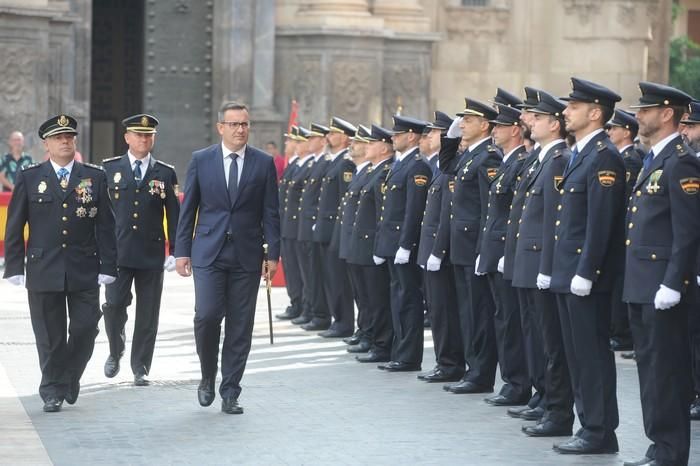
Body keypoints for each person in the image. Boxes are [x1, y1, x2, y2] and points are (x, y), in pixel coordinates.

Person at [3, 114, 117, 412]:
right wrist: (14, 267)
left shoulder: (94, 176)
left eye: (69, 137)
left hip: (84, 266)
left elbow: (106, 225)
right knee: (50, 335)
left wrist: (108, 265)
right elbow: (15, 225)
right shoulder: (30, 177)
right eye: (58, 138)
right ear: (47, 144)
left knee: (85, 328)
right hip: (43, 267)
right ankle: (52, 389)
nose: (65, 141)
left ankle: (68, 376)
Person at [174, 102, 280, 415]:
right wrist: (182, 250)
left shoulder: (263, 163)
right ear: (220, 127)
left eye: (244, 124)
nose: (240, 130)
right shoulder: (201, 160)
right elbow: (188, 208)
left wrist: (272, 253)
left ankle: (230, 390)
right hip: (208, 251)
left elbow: (271, 212)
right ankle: (208, 374)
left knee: (240, 324)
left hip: (246, 255)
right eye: (233, 124)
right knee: (206, 316)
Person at [622, 82, 699, 466]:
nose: (638, 115)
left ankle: (670, 452)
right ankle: (659, 446)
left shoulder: (681, 161)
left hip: (663, 288)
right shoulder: (655, 159)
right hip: (643, 285)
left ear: (667, 113)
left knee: (666, 373)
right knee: (651, 371)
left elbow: (688, 231)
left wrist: (673, 282)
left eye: (646, 109)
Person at [551, 77, 625, 455]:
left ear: (595, 113)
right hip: (569, 272)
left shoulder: (604, 156)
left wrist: (587, 272)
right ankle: (588, 425)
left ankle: (599, 430)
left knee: (592, 355)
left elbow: (601, 223)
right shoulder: (581, 153)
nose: (565, 111)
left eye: (573, 106)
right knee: (577, 355)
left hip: (585, 278)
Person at [512, 91, 575, 437]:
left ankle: (557, 409)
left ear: (554, 124)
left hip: (541, 262)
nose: (529, 122)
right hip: (530, 260)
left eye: (536, 118)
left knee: (551, 343)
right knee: (537, 337)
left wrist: (547, 267)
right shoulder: (540, 159)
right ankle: (546, 401)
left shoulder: (557, 161)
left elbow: (553, 219)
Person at [101, 114, 180, 386]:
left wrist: (176, 251)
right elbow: (99, 215)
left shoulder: (165, 173)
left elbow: (175, 216)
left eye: (148, 135)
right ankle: (115, 349)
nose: (144, 139)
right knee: (112, 307)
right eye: (138, 134)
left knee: (148, 313)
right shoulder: (109, 169)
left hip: (150, 254)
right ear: (127, 138)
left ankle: (141, 366)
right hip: (118, 254)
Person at [439, 98, 501, 394]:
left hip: (473, 245)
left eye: (468, 120)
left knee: (478, 313)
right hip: (461, 245)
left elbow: (490, 208)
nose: (462, 124)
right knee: (467, 311)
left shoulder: (488, 157)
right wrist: (450, 138)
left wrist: (482, 250)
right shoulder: (469, 156)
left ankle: (481, 373)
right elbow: (446, 165)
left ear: (485, 125)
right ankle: (472, 368)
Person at [477, 101, 531, 406]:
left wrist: (504, 252)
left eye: (498, 126)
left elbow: (514, 214)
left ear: (514, 129)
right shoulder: (508, 161)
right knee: (504, 319)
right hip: (497, 251)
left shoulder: (518, 161)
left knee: (512, 321)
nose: (493, 131)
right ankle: (513, 380)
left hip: (506, 254)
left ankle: (518, 383)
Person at [374, 115, 432, 372]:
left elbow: (413, 210)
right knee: (397, 299)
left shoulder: (417, 166)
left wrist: (406, 245)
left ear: (411, 136)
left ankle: (409, 356)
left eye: (397, 135)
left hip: (403, 246)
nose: (392, 139)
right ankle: (400, 351)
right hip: (391, 243)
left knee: (408, 300)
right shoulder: (400, 165)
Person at [416, 110, 465, 383]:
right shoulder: (438, 166)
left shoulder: (449, 165)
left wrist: (437, 250)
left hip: (440, 249)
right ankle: (444, 361)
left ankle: (450, 363)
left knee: (445, 310)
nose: (430, 137)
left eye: (435, 132)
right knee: (437, 309)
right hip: (431, 247)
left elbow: (448, 211)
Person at [313, 117, 357, 338]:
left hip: (334, 230)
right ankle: (336, 319)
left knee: (338, 279)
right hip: (326, 228)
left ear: (345, 137)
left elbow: (345, 199)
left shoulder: (346, 164)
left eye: (333, 133)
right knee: (330, 277)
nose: (329, 137)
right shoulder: (334, 162)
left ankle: (344, 322)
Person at [606, 109, 644, 354]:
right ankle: (619, 331)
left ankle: (622, 333)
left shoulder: (629, 158)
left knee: (620, 283)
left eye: (613, 128)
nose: (609, 132)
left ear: (626, 132)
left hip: (624, 231)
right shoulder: (621, 157)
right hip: (623, 231)